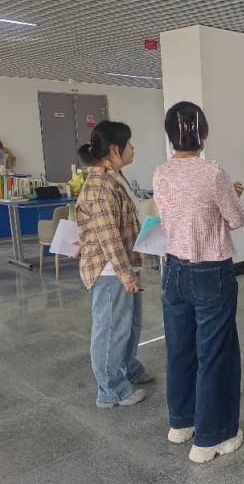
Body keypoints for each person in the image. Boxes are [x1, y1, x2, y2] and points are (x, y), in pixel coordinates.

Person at [154, 101, 244, 464]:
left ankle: (181, 423)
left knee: (179, 348)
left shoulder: (160, 172)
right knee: (215, 353)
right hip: (210, 272)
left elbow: (176, 213)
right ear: (203, 133)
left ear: (170, 136)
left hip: (173, 270)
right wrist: (232, 196)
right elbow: (235, 219)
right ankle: (213, 437)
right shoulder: (214, 173)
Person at [76, 121, 152, 409]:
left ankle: (127, 367)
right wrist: (125, 274)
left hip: (123, 265)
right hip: (111, 271)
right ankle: (111, 390)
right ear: (114, 149)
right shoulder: (100, 185)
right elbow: (109, 236)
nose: (133, 149)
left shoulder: (114, 177)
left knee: (130, 324)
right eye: (129, 144)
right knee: (111, 330)